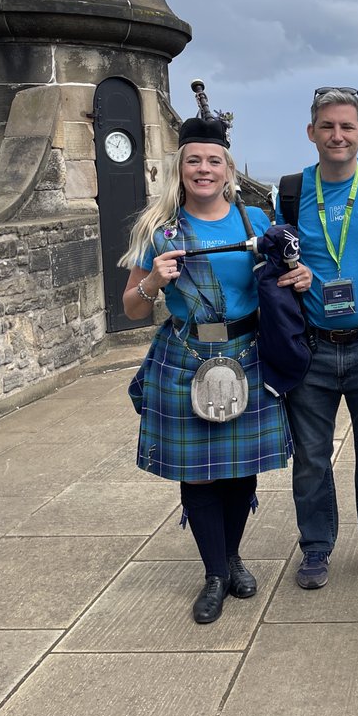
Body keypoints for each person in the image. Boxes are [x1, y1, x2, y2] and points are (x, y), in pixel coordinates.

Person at [121, 110, 312, 625]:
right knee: (200, 475)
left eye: (213, 161)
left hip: (247, 352)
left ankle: (230, 557)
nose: (203, 169)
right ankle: (214, 574)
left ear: (227, 169)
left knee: (239, 468)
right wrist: (153, 283)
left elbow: (288, 277)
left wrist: (300, 275)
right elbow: (132, 308)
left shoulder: (257, 221)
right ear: (179, 167)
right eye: (193, 161)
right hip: (186, 356)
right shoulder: (158, 229)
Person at [275, 87, 358, 589]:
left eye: (347, 126)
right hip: (311, 347)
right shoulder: (288, 192)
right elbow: (272, 261)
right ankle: (315, 548)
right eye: (327, 126)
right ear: (311, 132)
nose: (337, 135)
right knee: (311, 457)